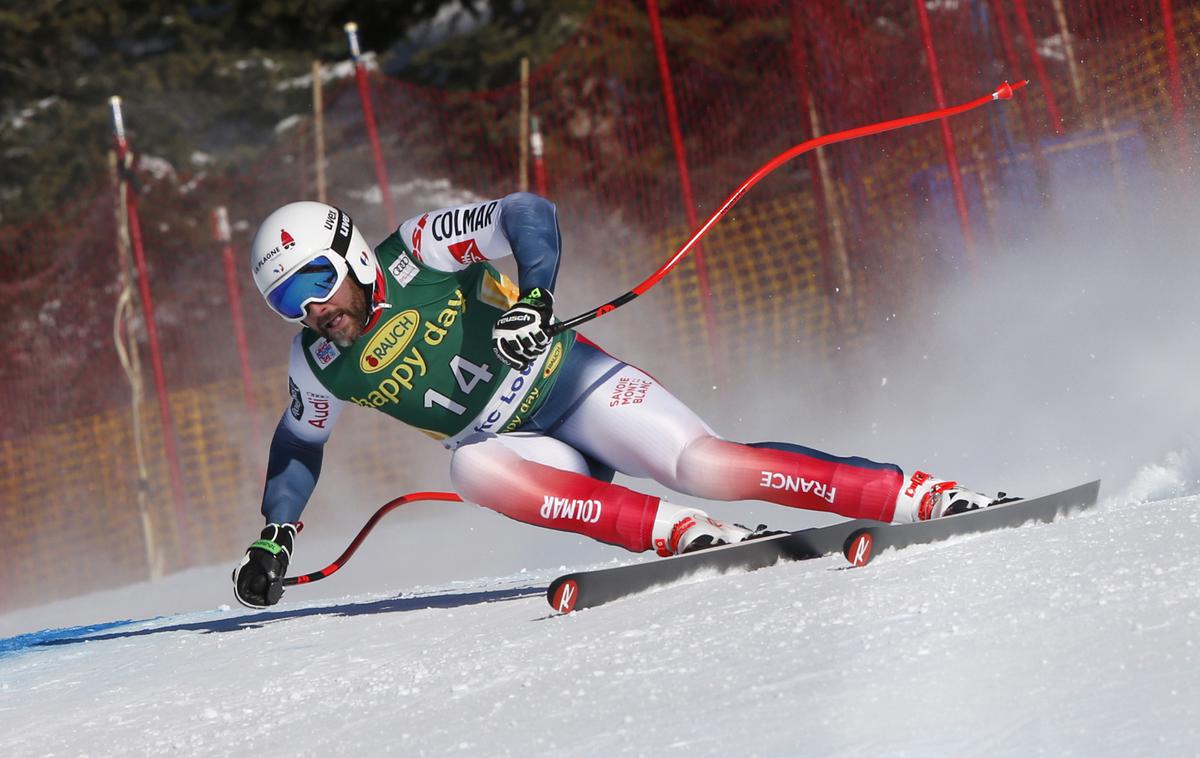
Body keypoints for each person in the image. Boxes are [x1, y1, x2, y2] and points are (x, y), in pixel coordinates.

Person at [233, 193, 1003, 608]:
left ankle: (916, 495)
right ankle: (687, 536)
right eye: (285, 302)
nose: (308, 310)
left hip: (573, 383)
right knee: (474, 469)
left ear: (352, 255)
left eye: (311, 283)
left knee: (704, 464)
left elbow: (524, 211)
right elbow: (300, 442)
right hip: (523, 447)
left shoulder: (418, 248)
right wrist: (275, 534)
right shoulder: (318, 362)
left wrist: (535, 297)